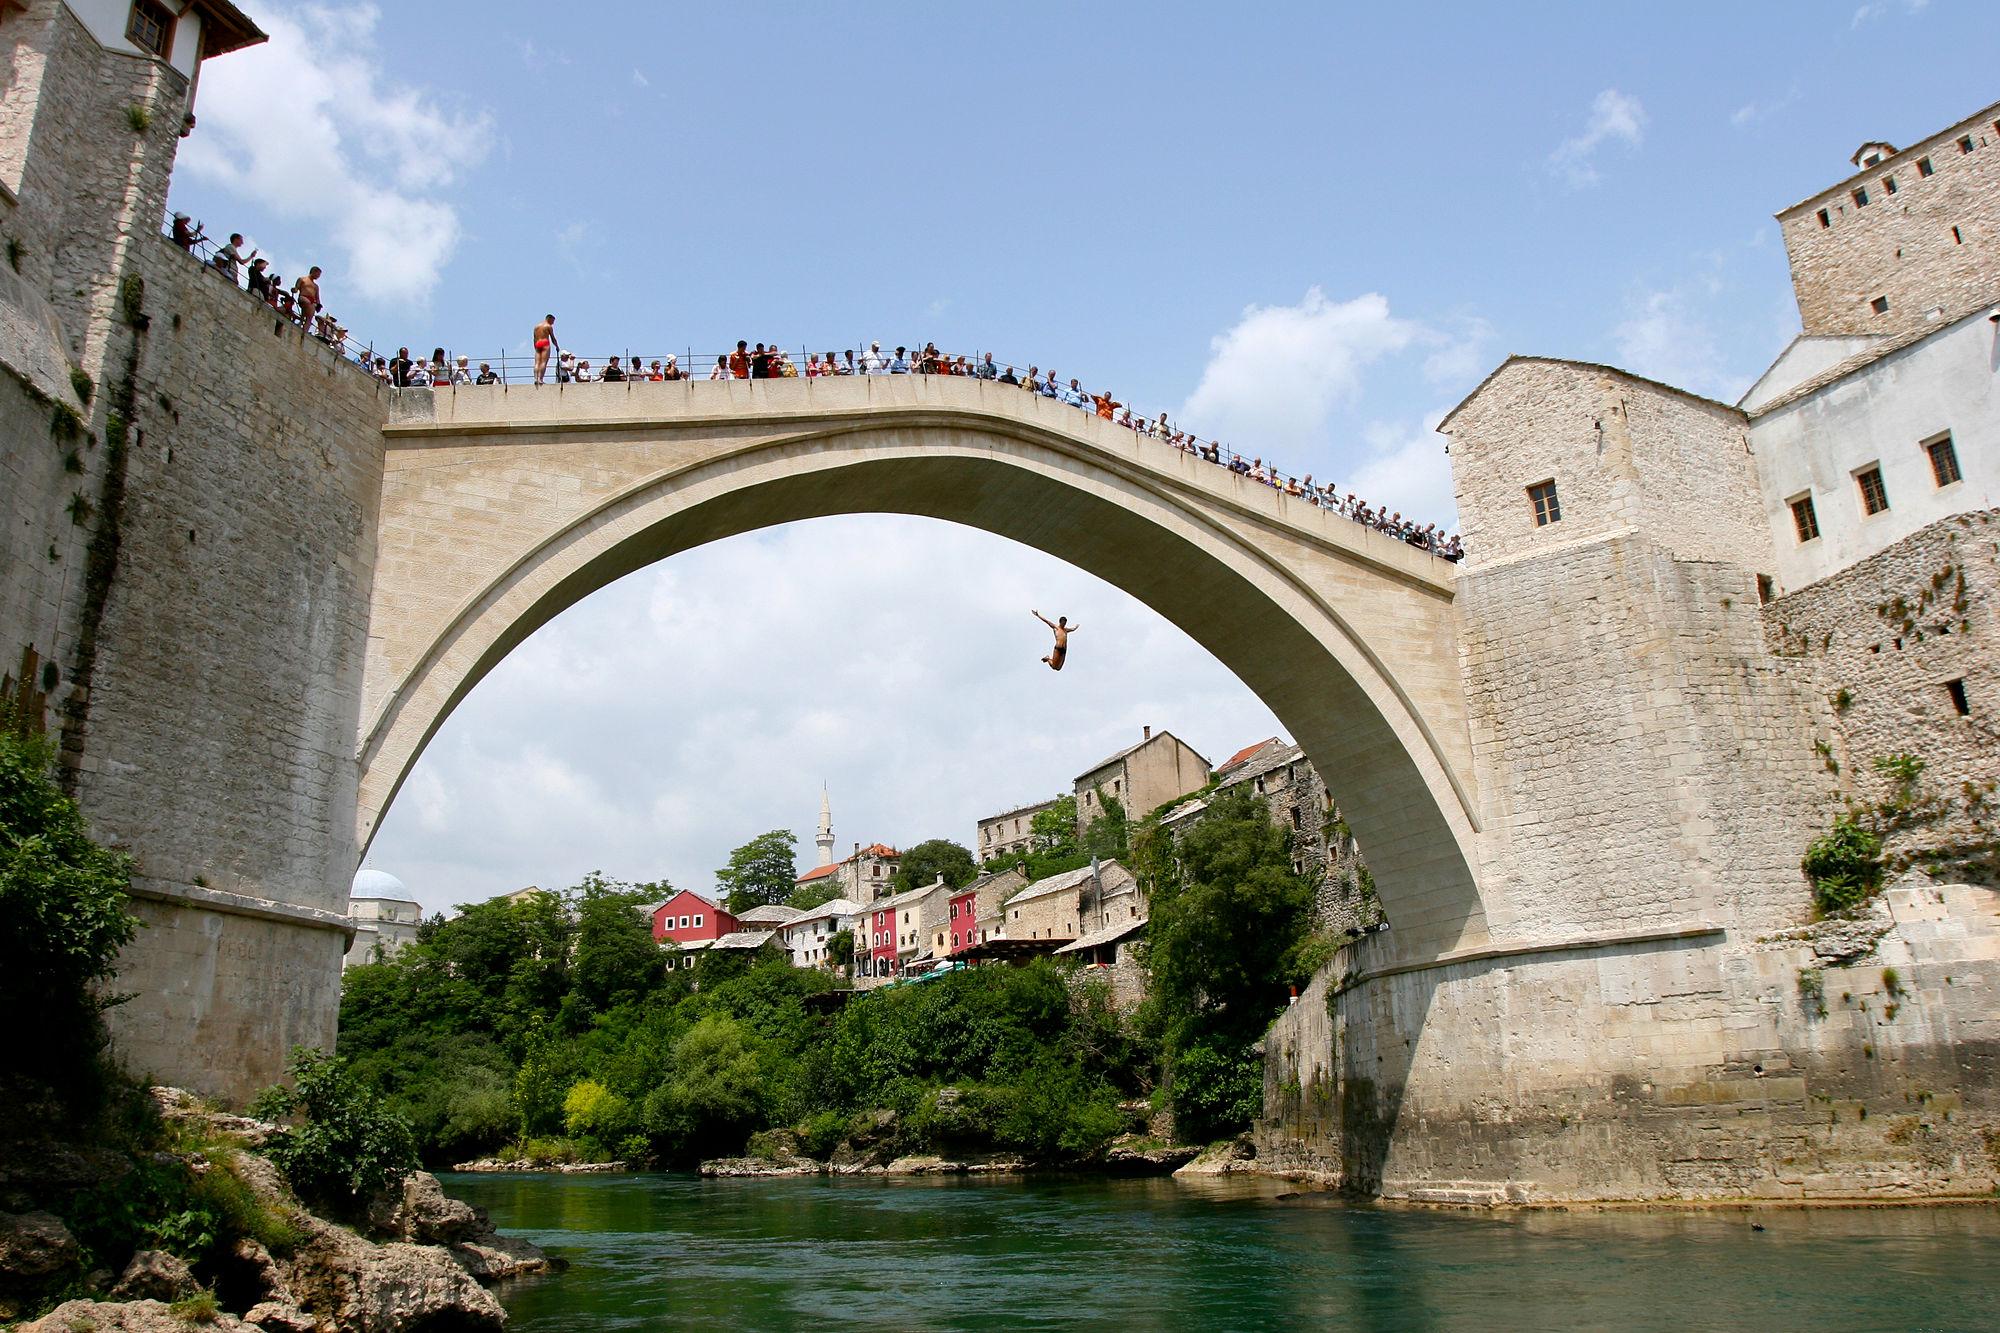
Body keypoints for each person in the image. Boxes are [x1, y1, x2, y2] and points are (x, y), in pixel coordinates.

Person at [533, 314, 556, 385]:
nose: (553, 323)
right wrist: (557, 346)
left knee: (537, 362)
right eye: (553, 321)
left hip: (538, 343)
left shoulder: (536, 327)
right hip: (545, 342)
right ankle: (540, 379)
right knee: (543, 362)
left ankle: (536, 378)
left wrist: (535, 346)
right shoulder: (548, 326)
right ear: (549, 318)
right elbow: (553, 338)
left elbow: (534, 338)